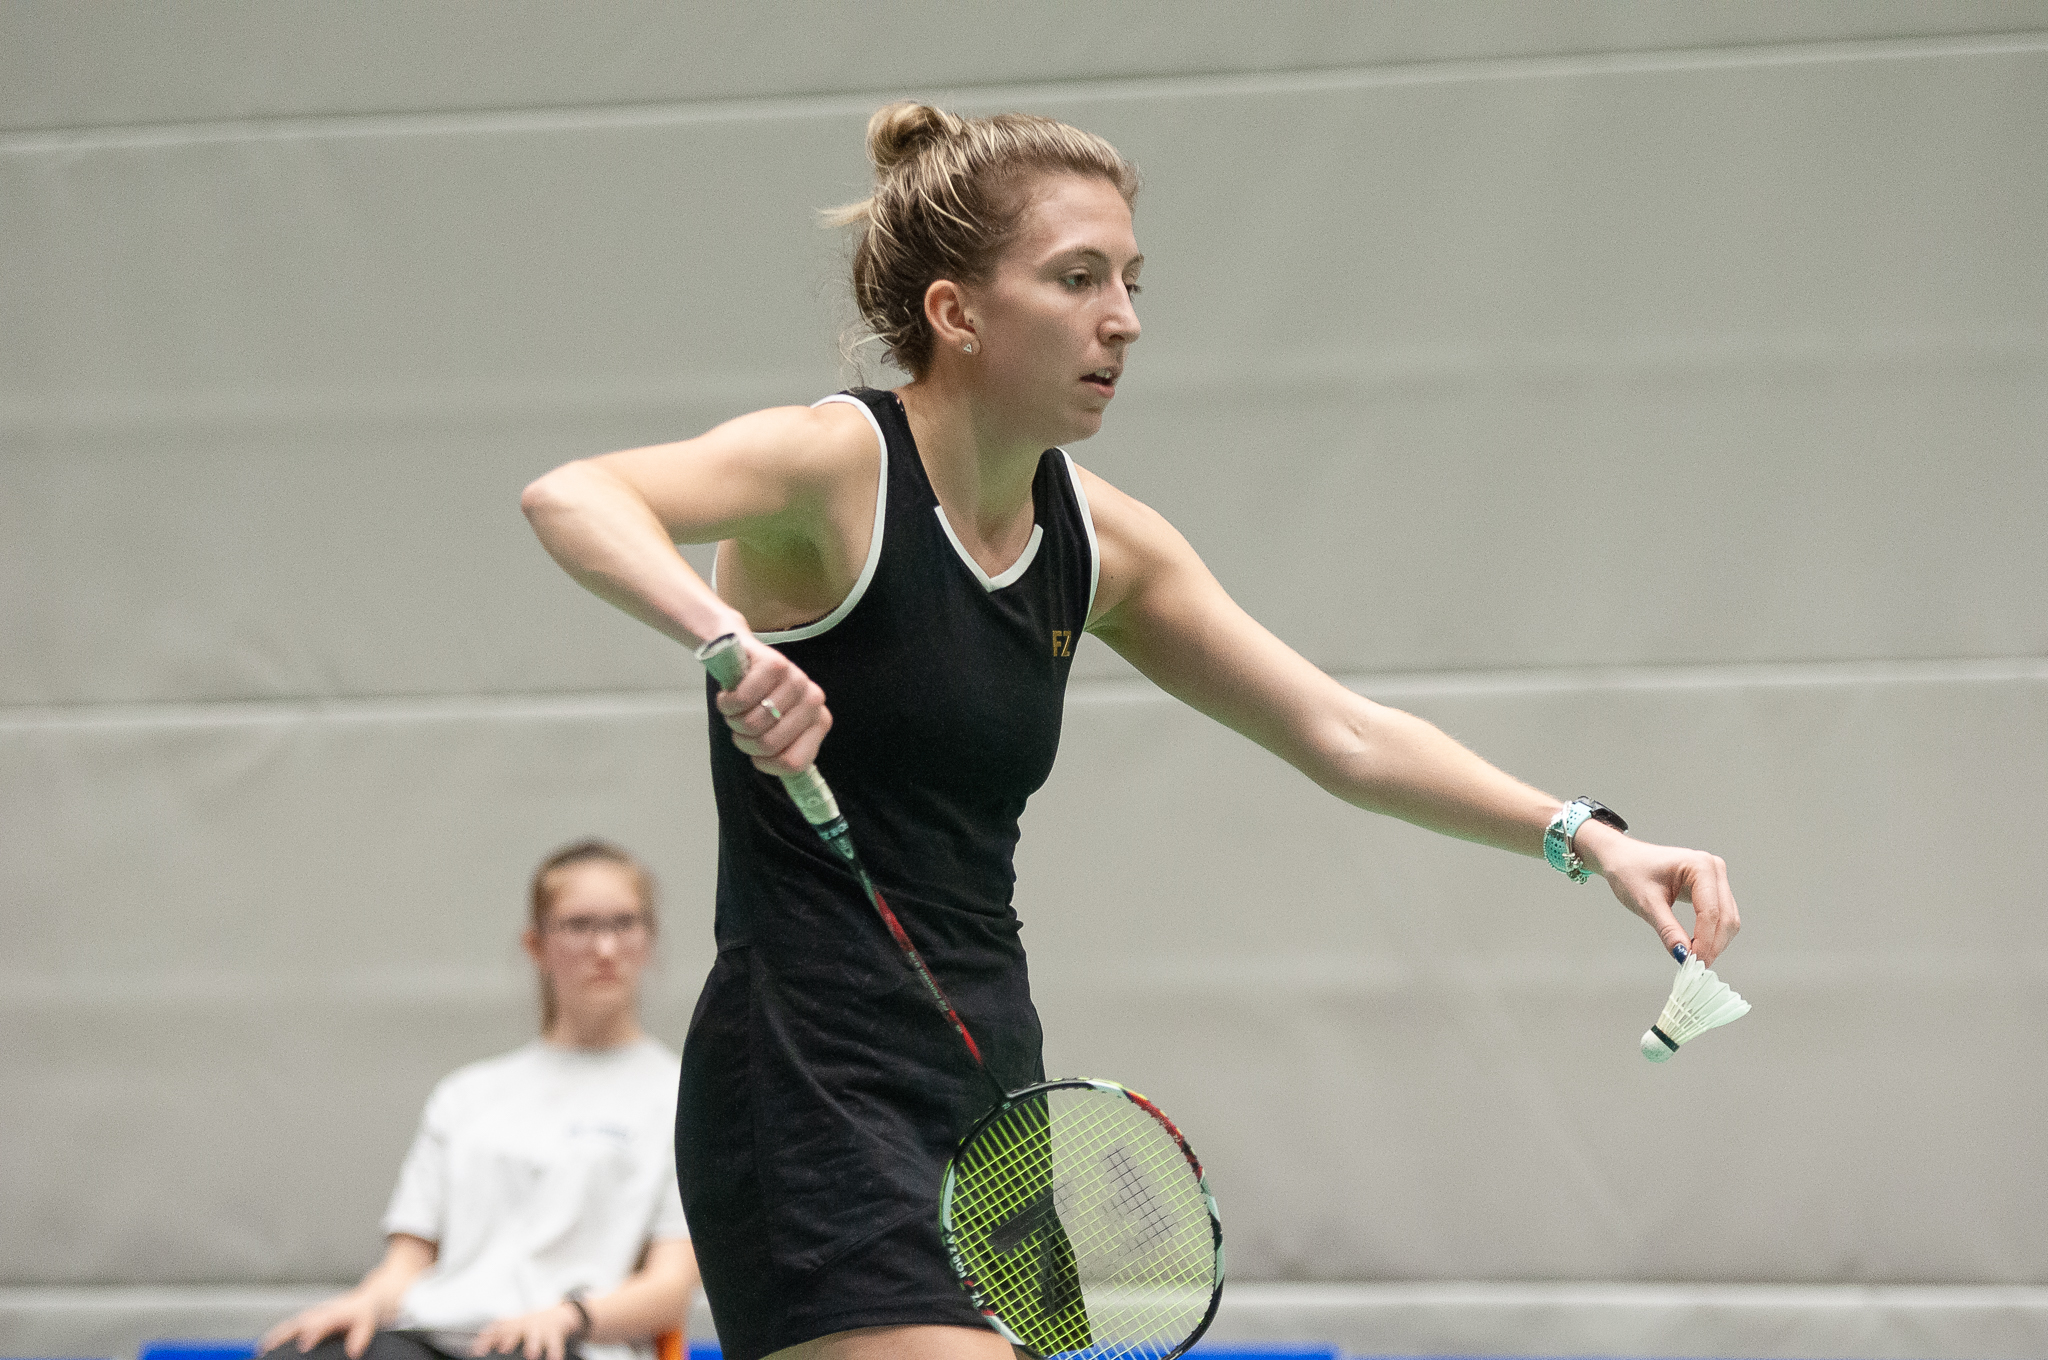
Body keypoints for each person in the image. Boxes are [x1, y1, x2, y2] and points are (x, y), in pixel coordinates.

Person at [519, 103, 1741, 1360]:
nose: (1124, 318)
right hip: (806, 1077)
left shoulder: (1097, 538)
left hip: (990, 1083)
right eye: (1076, 278)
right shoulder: (835, 467)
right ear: (956, 313)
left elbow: (1343, 732)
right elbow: (574, 496)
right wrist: (723, 635)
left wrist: (1584, 834)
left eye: (1130, 280)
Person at [259, 841, 698, 1360]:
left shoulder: (681, 1097)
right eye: (579, 926)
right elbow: (407, 1264)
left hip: (565, 1344)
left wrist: (569, 1316)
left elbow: (670, 1288)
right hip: (435, 1336)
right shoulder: (467, 1094)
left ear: (649, 939)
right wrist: (363, 1303)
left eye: (624, 924)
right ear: (536, 945)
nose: (605, 948)